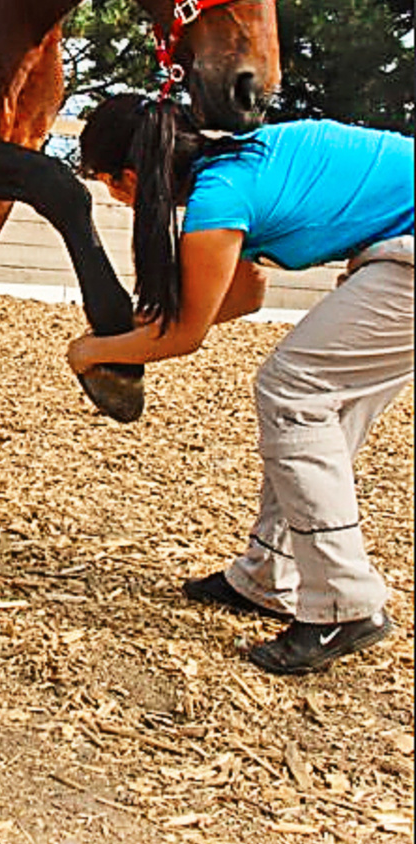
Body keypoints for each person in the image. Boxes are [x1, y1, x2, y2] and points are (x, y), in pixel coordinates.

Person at [69, 94, 414, 676]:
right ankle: (269, 573)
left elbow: (185, 337)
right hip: (394, 252)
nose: (111, 195)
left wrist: (91, 351)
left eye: (105, 182)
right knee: (323, 400)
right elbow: (242, 297)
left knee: (293, 390)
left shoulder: (218, 198)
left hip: (403, 256)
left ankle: (343, 603)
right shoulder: (238, 165)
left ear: (129, 176)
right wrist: (138, 334)